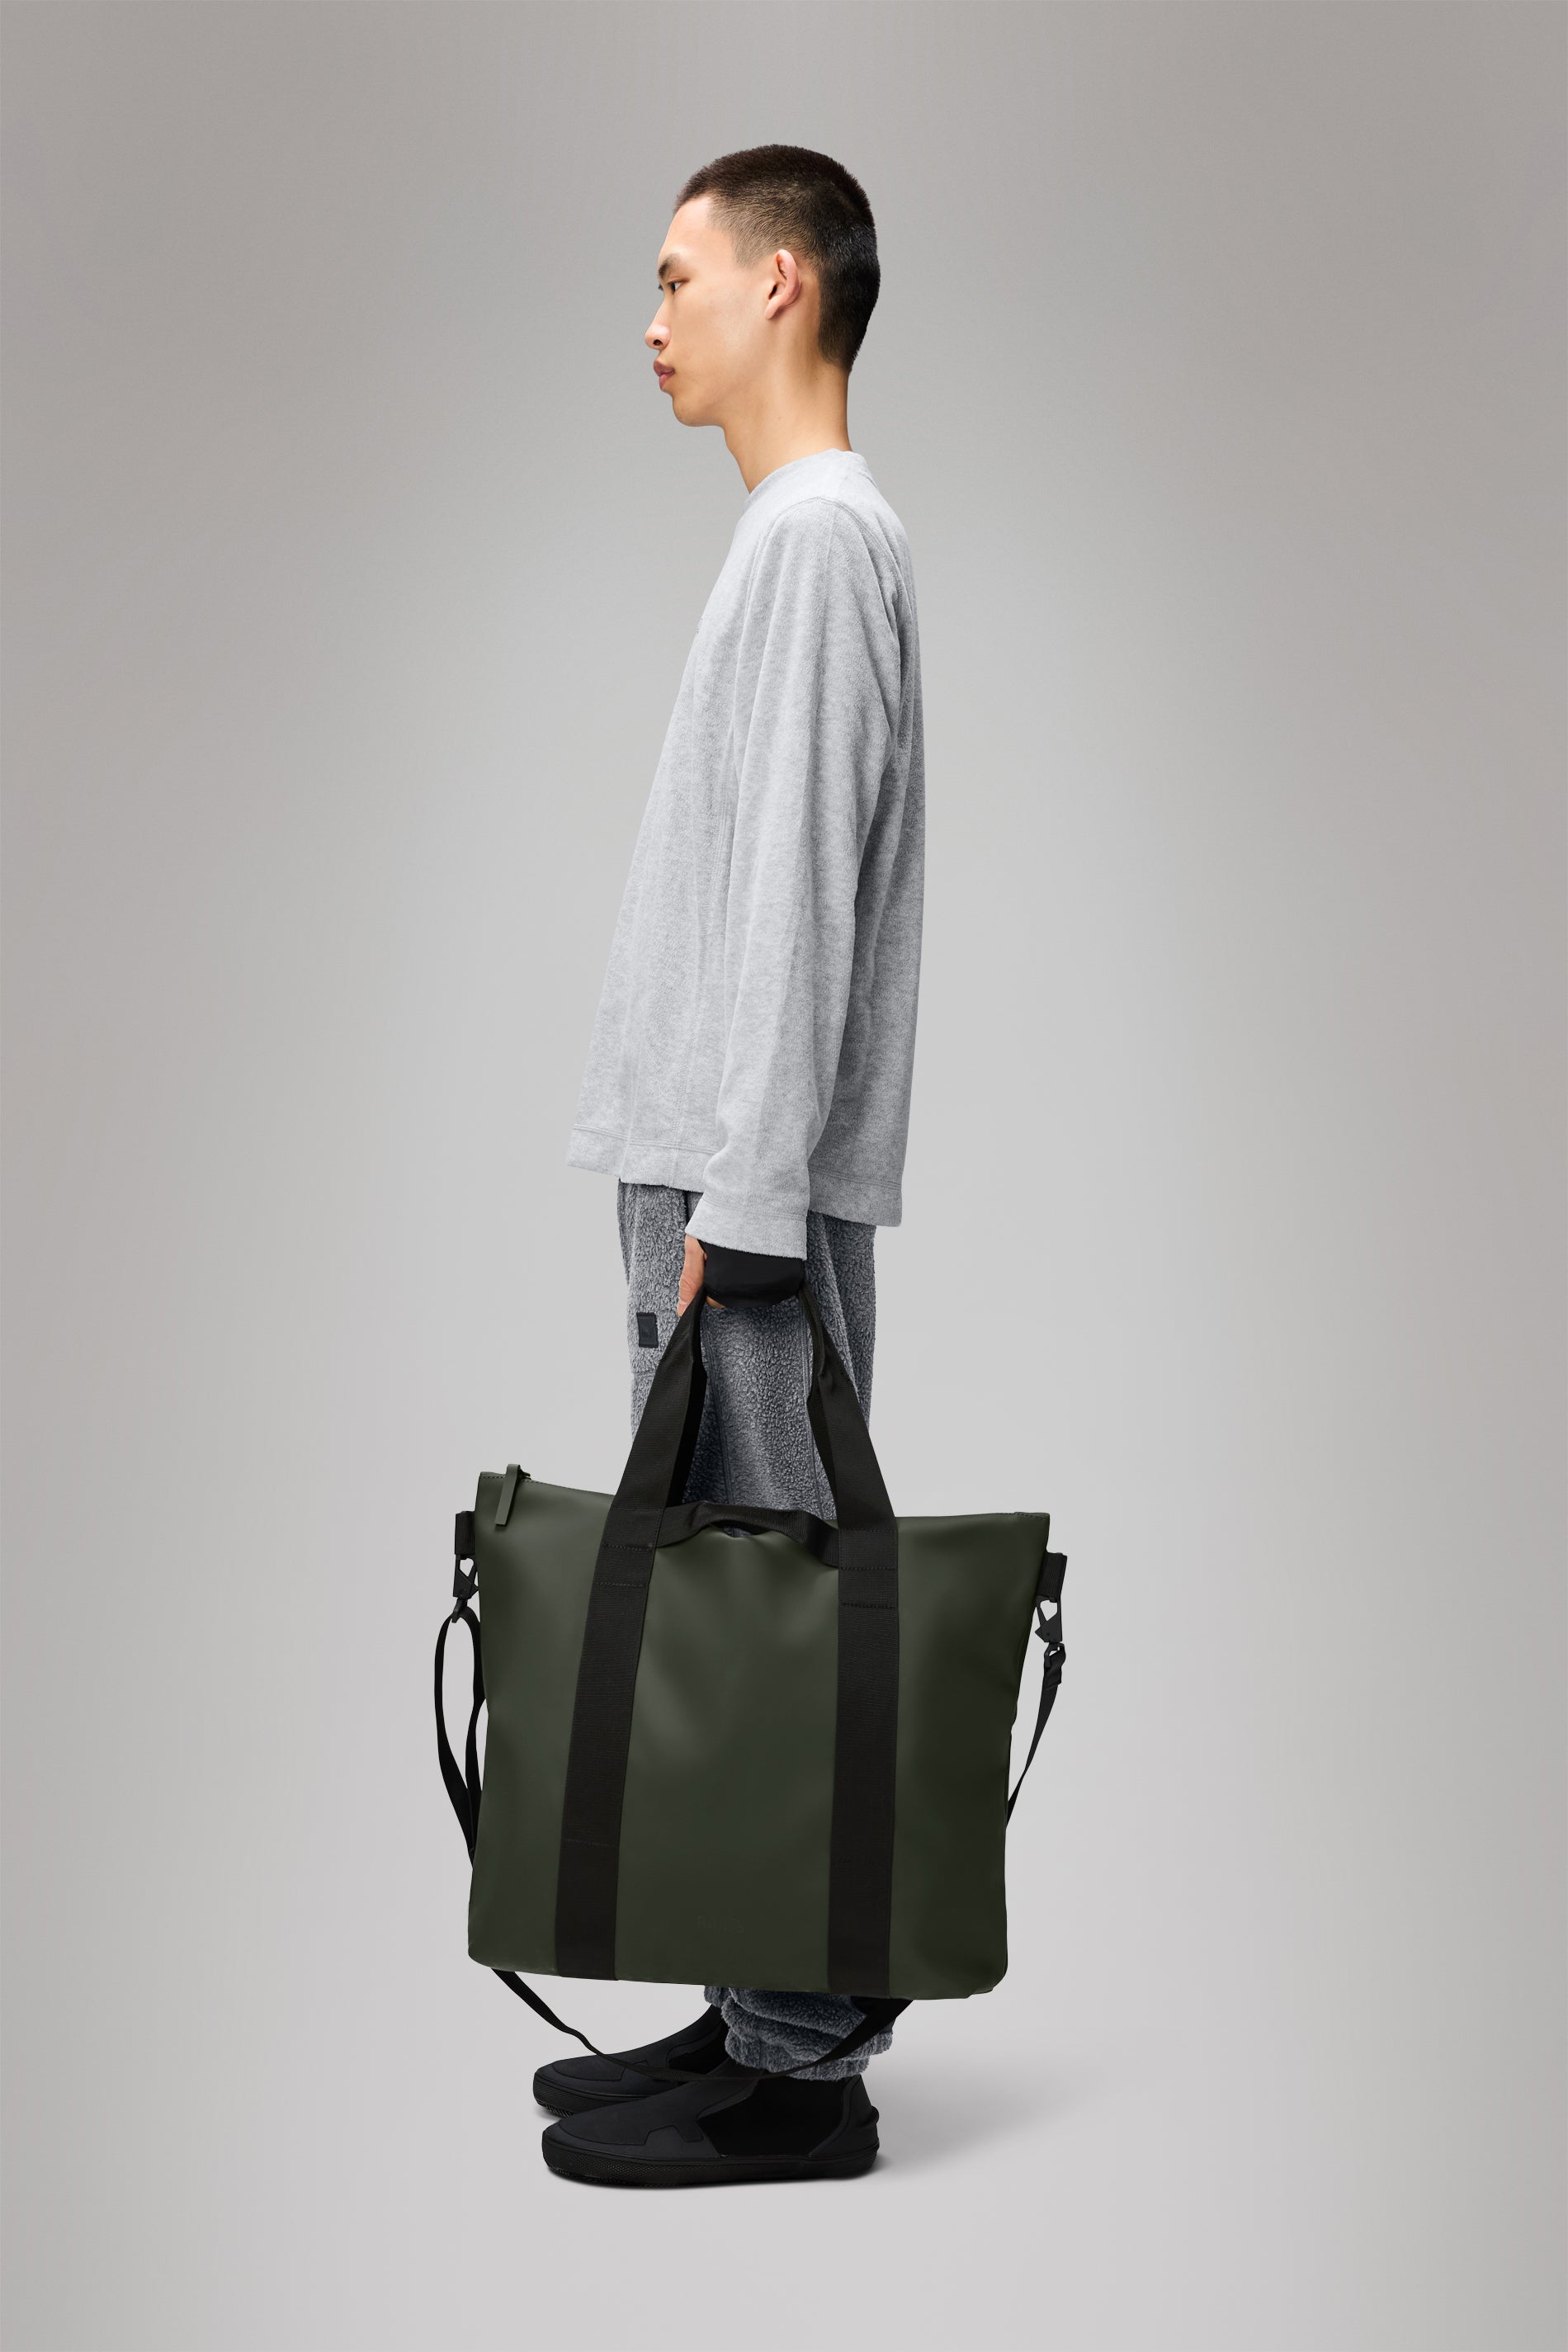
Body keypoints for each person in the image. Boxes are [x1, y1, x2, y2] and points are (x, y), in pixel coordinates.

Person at [538, 144, 924, 2186]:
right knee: (729, 1607)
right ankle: (749, 2010)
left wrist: (746, 1213)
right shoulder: (793, 537)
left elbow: (794, 897)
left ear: (783, 283)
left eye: (678, 276)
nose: (652, 320)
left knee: (769, 1609)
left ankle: (802, 2081)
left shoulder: (820, 543)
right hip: (710, 1172)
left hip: (736, 1191)